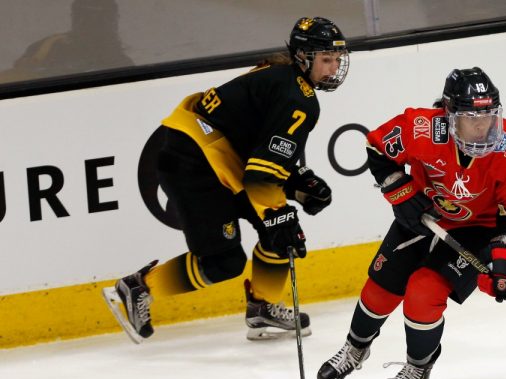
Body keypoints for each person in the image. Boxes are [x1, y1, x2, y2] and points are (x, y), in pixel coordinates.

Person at [102, 17, 349, 344]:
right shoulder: (298, 99)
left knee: (278, 235)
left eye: (336, 60)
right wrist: (279, 212)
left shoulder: (280, 77)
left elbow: (256, 149)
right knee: (225, 260)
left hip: (208, 155)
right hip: (193, 163)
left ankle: (264, 307)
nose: (333, 69)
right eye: (326, 60)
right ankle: (139, 287)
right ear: (303, 57)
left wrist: (294, 182)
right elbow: (261, 174)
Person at [316, 67, 506, 379]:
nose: (483, 126)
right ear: (450, 115)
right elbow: (376, 148)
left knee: (423, 290)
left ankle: (418, 368)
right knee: (381, 288)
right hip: (423, 214)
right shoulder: (423, 127)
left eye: (489, 115)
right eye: (471, 117)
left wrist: (502, 255)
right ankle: (355, 347)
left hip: (476, 228)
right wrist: (401, 193)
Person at [0, 0, 133, 84]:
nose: (91, 24)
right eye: (84, 17)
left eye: (101, 19)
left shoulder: (121, 64)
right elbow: (20, 75)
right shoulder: (49, 46)